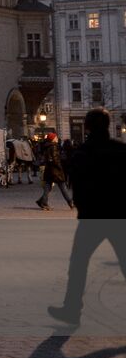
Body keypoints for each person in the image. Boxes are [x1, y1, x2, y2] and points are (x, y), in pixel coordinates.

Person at [50, 109, 126, 325]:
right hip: (119, 216)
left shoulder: (83, 152)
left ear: (88, 127)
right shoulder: (120, 150)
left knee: (78, 264)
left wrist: (82, 206)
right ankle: (71, 309)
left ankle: (72, 309)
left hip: (92, 217)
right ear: (108, 125)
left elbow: (77, 184)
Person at [36, 132, 73, 211]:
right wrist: (60, 167)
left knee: (48, 187)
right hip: (56, 170)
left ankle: (42, 202)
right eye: (55, 137)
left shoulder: (47, 146)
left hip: (49, 169)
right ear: (53, 139)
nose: (57, 138)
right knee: (62, 186)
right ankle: (70, 202)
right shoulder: (54, 146)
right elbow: (55, 160)